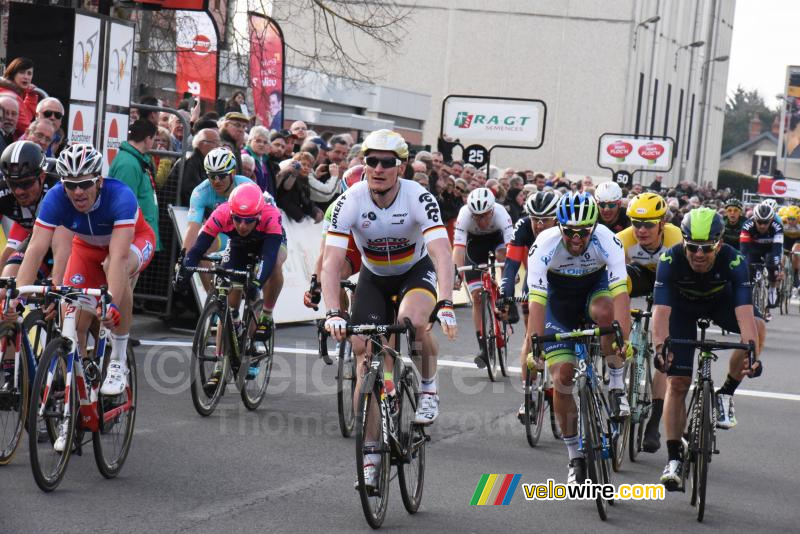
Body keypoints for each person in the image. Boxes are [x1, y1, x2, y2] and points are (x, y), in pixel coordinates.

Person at [321, 129, 457, 490]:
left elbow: (442, 254)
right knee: (364, 353)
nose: (378, 169)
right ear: (363, 163)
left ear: (402, 166)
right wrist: (333, 311)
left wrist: (445, 301)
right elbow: (331, 263)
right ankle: (369, 456)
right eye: (371, 161)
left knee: (410, 323)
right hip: (374, 277)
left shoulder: (419, 197)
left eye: (387, 162)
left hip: (415, 271)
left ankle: (428, 386)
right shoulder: (350, 200)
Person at [9, 143, 155, 450]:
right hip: (86, 249)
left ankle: (117, 358)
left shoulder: (120, 197)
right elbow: (35, 249)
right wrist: (17, 298)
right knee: (72, 317)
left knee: (118, 270)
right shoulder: (55, 198)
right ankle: (73, 404)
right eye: (71, 185)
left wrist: (110, 303)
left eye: (85, 183)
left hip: (130, 245)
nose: (78, 192)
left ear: (98, 181)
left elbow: (115, 259)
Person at [653, 207, 764, 490]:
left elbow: (744, 312)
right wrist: (659, 349)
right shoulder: (670, 259)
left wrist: (751, 353)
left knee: (758, 328)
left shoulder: (734, 260)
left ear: (719, 244)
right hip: (682, 310)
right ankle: (674, 458)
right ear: (683, 243)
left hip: (720, 303)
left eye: (706, 248)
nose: (699, 255)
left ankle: (726, 392)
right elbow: (662, 313)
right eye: (692, 247)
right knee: (677, 383)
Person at [526, 191, 631, 484]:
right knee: (561, 378)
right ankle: (574, 456)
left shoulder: (608, 239)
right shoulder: (544, 244)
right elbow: (536, 301)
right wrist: (536, 345)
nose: (576, 238)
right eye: (570, 232)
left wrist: (624, 339)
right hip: (557, 304)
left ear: (594, 227)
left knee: (607, 311)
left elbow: (621, 293)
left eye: (584, 232)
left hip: (593, 293)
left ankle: (617, 385)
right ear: (559, 227)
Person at [178, 183, 282, 383]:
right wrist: (185, 271)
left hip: (267, 243)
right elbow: (198, 249)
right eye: (238, 219)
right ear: (231, 213)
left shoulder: (270, 216)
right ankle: (220, 364)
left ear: (258, 216)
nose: (242, 225)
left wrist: (256, 283)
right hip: (239, 246)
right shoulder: (223, 212)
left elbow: (268, 257)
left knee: (275, 266)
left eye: (249, 220)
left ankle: (266, 316)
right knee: (229, 302)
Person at [615, 192, 682, 453]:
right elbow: (614, 280)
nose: (641, 230)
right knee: (618, 285)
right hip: (641, 277)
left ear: (662, 223)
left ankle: (654, 421)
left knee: (664, 350)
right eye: (636, 223)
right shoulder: (623, 239)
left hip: (671, 282)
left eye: (648, 224)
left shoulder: (676, 239)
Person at [499, 191, 560, 420]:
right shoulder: (523, 225)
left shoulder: (565, 227)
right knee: (531, 336)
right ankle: (529, 394)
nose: (539, 225)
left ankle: (557, 377)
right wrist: (505, 293)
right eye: (535, 218)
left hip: (562, 278)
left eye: (545, 219)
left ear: (556, 219)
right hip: (536, 278)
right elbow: (512, 263)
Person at [452, 187, 514, 368]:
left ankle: (504, 297)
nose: (481, 220)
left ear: (492, 210)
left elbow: (512, 247)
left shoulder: (501, 213)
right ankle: (483, 348)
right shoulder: (464, 215)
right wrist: (457, 273)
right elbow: (459, 248)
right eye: (476, 216)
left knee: (503, 256)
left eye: (485, 215)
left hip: (498, 240)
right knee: (477, 297)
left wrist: (511, 274)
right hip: (474, 244)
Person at [109, 119, 161, 251]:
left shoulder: (135, 160)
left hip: (141, 235)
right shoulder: (128, 164)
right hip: (135, 238)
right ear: (147, 139)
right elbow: (124, 206)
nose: (154, 143)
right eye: (154, 139)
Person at [740, 202, 783, 318]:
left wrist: (776, 263)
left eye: (766, 222)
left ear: (771, 220)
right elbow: (744, 250)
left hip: (771, 249)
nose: (762, 226)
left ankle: (772, 288)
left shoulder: (777, 227)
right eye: (759, 222)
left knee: (772, 263)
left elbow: (777, 249)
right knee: (747, 268)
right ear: (754, 219)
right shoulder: (747, 226)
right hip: (753, 250)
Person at [175, 128, 221, 205]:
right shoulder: (191, 161)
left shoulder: (202, 161)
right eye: (215, 142)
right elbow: (190, 192)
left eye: (219, 143)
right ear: (201, 144)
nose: (219, 146)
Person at [0, 57, 39, 139]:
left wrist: (31, 96)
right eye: (22, 72)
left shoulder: (13, 93)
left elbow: (25, 117)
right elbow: (24, 127)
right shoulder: (9, 95)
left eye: (29, 73)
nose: (26, 77)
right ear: (13, 74)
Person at [778, 204, 800, 291]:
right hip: (785, 239)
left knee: (795, 251)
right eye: (788, 218)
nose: (790, 221)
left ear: (798, 218)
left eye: (793, 219)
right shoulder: (782, 221)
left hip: (798, 239)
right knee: (782, 258)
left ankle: (795, 274)